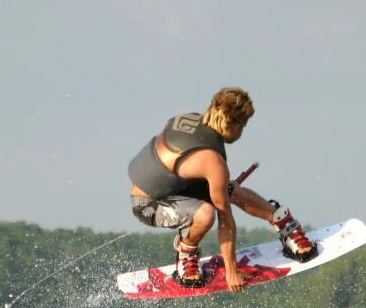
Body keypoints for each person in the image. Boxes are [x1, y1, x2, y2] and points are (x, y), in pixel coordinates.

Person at [128, 86, 317, 292]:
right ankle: (186, 253)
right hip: (149, 204)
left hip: (173, 188)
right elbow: (225, 221)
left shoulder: (193, 119)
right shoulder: (213, 162)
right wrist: (231, 270)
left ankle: (285, 225)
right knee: (207, 213)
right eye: (243, 126)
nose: (241, 132)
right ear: (234, 125)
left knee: (225, 189)